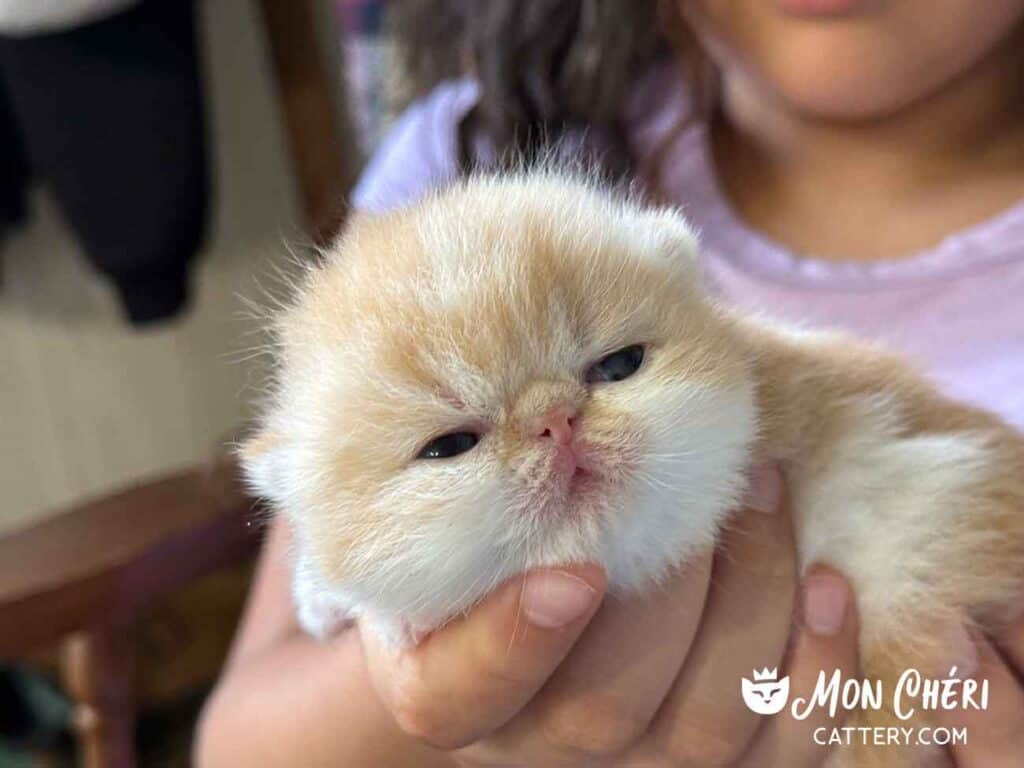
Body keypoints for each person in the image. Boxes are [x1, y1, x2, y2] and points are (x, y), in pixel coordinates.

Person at [195, 1, 1024, 765]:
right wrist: (461, 698)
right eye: (452, 441)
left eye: (616, 366)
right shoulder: (464, 147)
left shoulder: (806, 402)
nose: (560, 429)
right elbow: (241, 746)